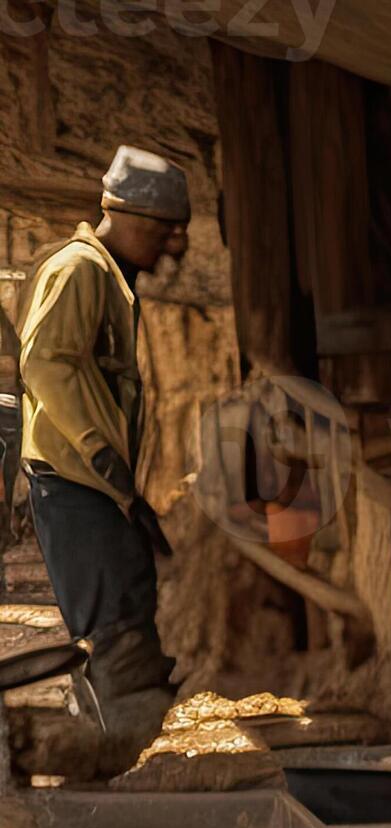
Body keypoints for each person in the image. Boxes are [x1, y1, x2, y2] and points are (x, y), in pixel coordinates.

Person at [16, 146, 191, 756]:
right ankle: (124, 760)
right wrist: (101, 456)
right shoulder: (80, 269)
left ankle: (121, 744)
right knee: (115, 627)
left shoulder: (107, 276)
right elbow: (44, 363)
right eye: (166, 235)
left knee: (127, 602)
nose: (173, 251)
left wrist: (126, 491)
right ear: (135, 219)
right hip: (74, 480)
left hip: (95, 482)